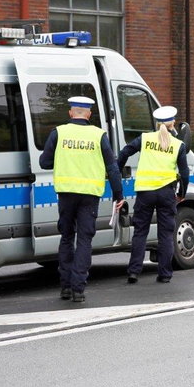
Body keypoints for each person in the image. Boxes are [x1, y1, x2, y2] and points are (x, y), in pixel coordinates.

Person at [39, 95, 124, 303]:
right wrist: (118, 194)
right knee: (85, 240)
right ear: (89, 114)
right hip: (89, 196)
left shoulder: (58, 133)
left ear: (70, 112)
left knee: (66, 237)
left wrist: (64, 159)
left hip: (66, 194)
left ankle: (65, 288)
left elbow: (44, 162)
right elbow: (112, 167)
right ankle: (79, 290)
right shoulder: (98, 135)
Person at [117, 106, 189, 284]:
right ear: (172, 123)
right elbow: (185, 172)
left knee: (140, 232)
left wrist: (116, 171)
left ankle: (134, 272)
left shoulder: (145, 138)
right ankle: (164, 274)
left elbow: (125, 152)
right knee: (165, 234)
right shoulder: (178, 145)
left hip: (145, 192)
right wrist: (181, 193)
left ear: (157, 124)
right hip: (166, 193)